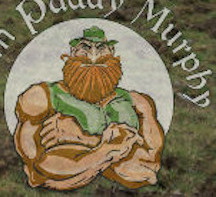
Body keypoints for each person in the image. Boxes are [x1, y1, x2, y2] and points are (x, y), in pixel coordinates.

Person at [13, 26, 164, 190]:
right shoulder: (41, 97)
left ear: (112, 52)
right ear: (72, 53)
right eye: (85, 48)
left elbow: (150, 164)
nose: (93, 56)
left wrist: (84, 139)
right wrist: (117, 150)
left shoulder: (139, 103)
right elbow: (39, 168)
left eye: (101, 49)